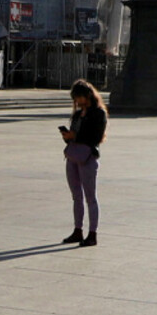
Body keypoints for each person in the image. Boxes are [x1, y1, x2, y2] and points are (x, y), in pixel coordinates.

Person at [59, 79, 108, 247]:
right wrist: (68, 137)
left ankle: (92, 233)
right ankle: (77, 230)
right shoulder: (77, 114)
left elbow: (96, 137)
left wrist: (76, 136)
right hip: (73, 156)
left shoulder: (99, 113)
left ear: (88, 95)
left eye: (79, 97)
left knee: (90, 197)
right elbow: (73, 137)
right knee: (76, 196)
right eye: (75, 98)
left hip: (87, 157)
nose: (78, 101)